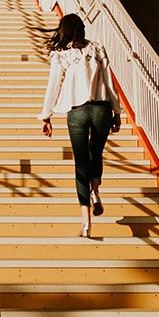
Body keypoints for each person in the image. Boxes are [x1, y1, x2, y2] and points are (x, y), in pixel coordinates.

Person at [38, 13, 122, 238]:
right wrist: (117, 111)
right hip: (102, 109)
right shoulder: (98, 49)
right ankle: (96, 189)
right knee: (96, 153)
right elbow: (109, 82)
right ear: (83, 29)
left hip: (77, 112)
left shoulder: (61, 55)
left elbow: (53, 86)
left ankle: (86, 222)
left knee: (81, 164)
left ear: (63, 30)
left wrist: (46, 115)